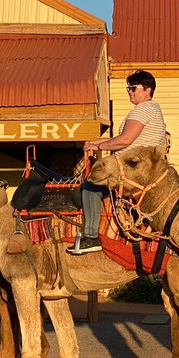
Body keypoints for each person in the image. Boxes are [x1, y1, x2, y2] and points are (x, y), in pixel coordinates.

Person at [68, 70, 167, 254]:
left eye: (133, 88)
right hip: (137, 165)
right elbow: (122, 138)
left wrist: (97, 147)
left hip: (133, 168)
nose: (130, 91)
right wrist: (96, 142)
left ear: (147, 90)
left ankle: (91, 237)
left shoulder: (144, 109)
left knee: (91, 185)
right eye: (128, 88)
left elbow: (125, 140)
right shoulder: (152, 109)